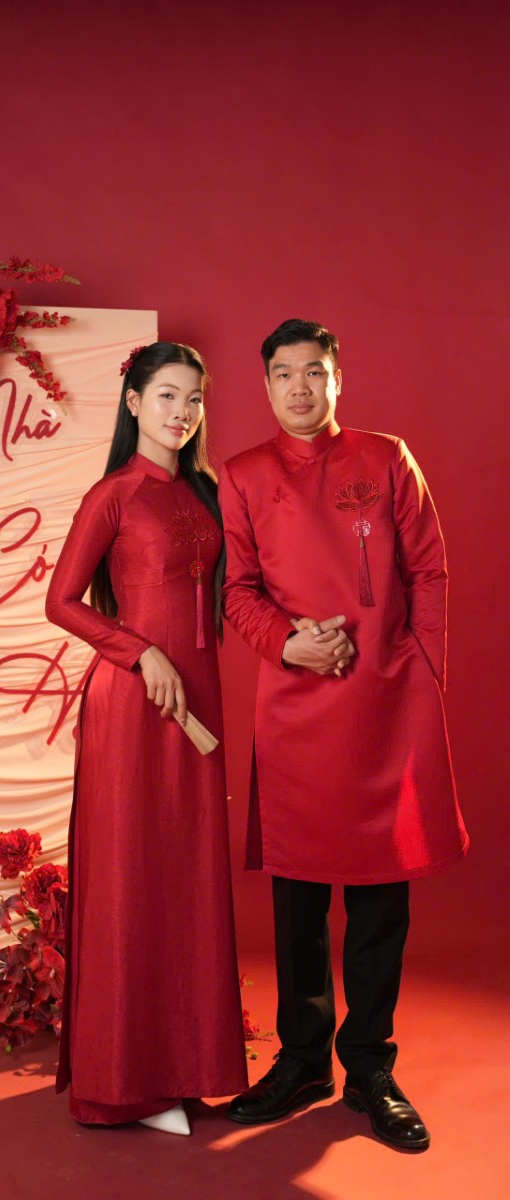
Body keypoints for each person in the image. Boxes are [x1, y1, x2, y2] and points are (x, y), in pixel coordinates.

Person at [219, 318, 468, 1152]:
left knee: (379, 897)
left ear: (337, 379)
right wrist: (285, 642)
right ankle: (301, 1062)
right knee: (296, 897)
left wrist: (421, 671)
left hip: (388, 700)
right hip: (296, 700)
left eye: (315, 372)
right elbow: (238, 589)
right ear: (266, 386)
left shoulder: (387, 458)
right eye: (284, 374)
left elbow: (428, 568)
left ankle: (369, 1066)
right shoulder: (243, 475)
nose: (301, 387)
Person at [45, 342, 248, 1135]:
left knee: (188, 877)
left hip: (200, 703)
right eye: (166, 395)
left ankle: (185, 1066)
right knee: (132, 876)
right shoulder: (114, 495)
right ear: (133, 402)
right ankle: (125, 1081)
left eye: (194, 398)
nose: (182, 412)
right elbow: (62, 602)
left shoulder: (206, 492)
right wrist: (140, 652)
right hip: (135, 704)